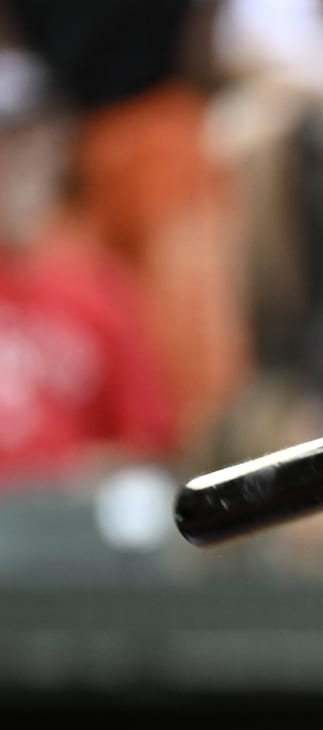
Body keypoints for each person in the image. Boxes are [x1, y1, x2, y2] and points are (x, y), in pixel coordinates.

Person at [1, 0, 252, 456]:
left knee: (192, 357)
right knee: (66, 320)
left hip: (159, 113)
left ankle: (197, 484)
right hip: (67, 132)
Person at [0, 49, 178, 493]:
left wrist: (79, 473)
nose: (16, 163)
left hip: (71, 537)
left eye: (28, 140)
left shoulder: (99, 285)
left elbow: (151, 446)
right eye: (5, 145)